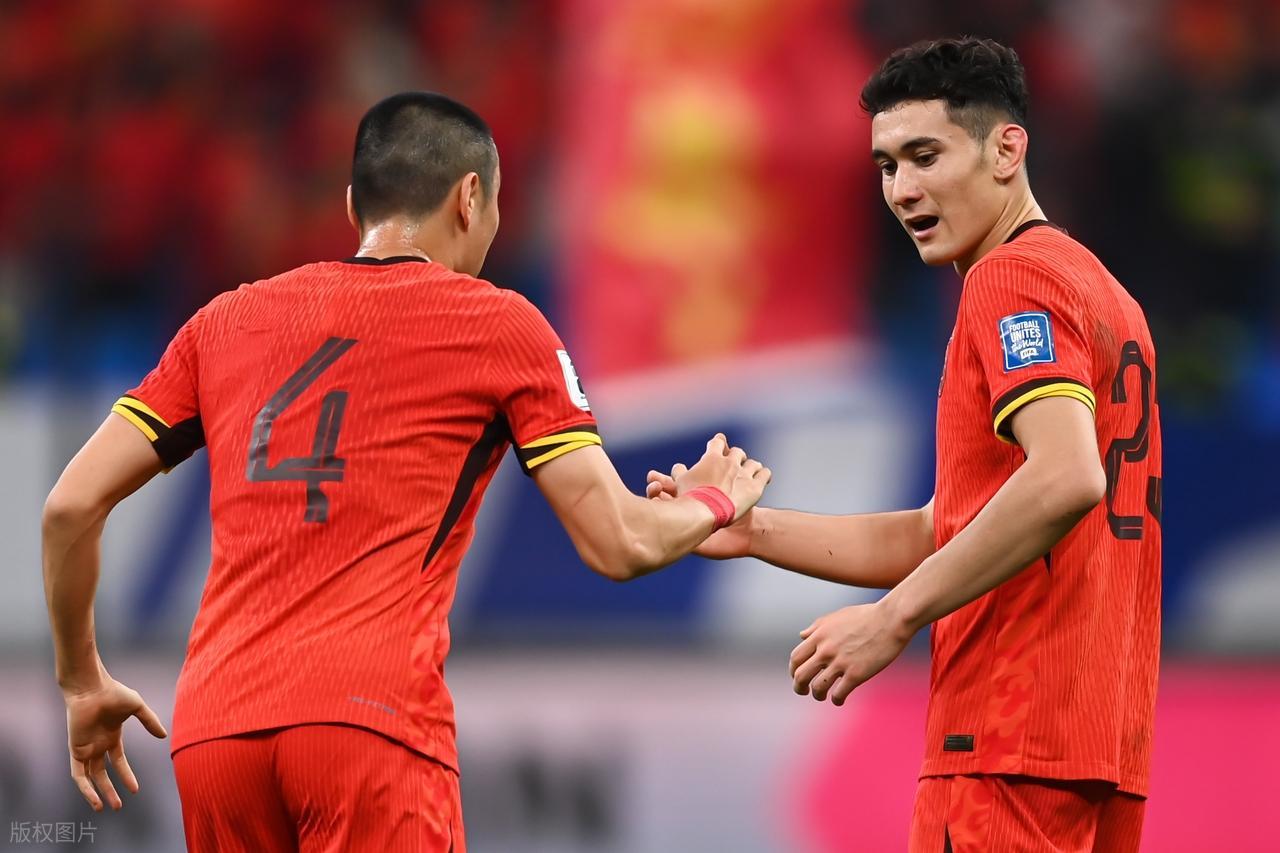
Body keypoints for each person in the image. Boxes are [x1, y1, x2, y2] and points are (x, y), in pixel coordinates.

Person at [41, 91, 771, 853]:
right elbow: (619, 541)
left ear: (352, 204)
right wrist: (714, 499)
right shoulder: (498, 323)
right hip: (370, 723)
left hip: (215, 732)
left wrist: (81, 680)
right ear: (470, 197)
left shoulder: (223, 322)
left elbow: (69, 505)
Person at [649, 37, 1161, 852]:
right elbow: (947, 531)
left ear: (1007, 149)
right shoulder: (1105, 294)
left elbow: (1067, 476)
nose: (903, 189)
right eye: (887, 166)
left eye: (926, 156)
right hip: (1097, 749)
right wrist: (753, 531)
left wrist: (893, 617)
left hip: (1005, 738)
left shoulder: (1012, 279)